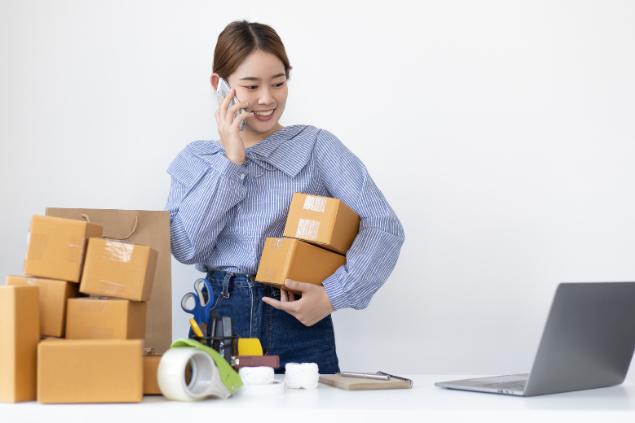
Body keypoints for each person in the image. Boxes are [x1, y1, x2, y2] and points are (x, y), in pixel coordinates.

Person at [165, 20, 405, 374]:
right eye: (251, 85)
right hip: (220, 320)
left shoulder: (317, 147)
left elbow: (383, 225)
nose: (267, 98)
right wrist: (231, 161)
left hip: (297, 321)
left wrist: (334, 296)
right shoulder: (196, 159)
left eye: (278, 83)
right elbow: (186, 248)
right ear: (220, 86)